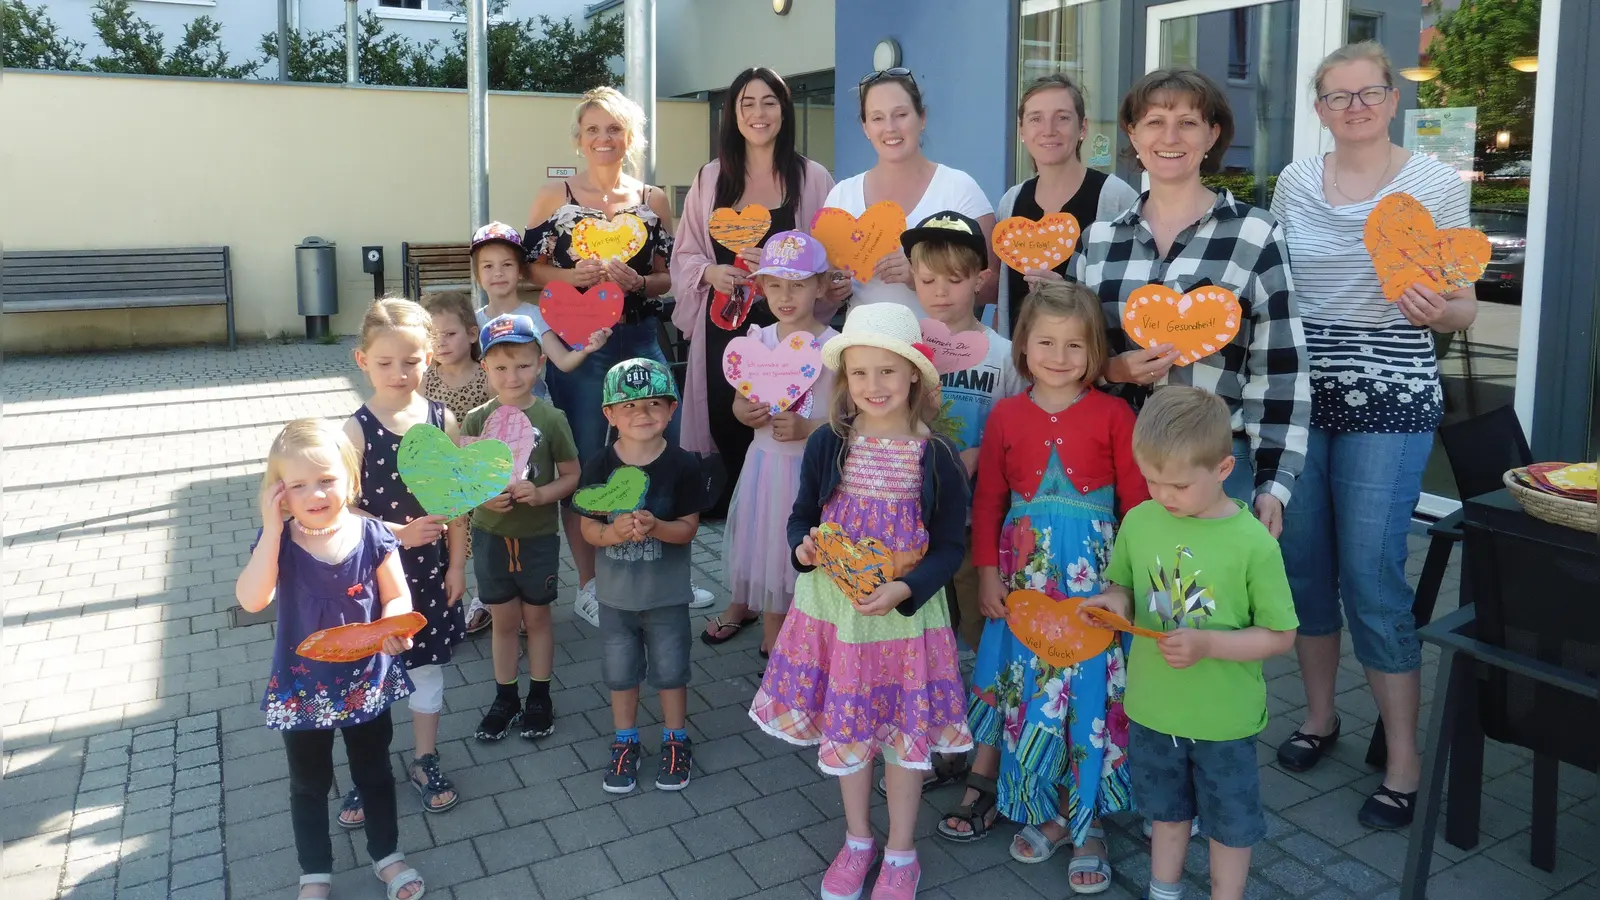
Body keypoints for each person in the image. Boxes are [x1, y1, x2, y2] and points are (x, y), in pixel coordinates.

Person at [1270, 42, 1478, 830]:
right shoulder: (1295, 181)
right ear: (1318, 109)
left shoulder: (1429, 182)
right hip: (1301, 395)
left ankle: (1403, 758)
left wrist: (1441, 312)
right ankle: (1320, 718)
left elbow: (1462, 305)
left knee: (1372, 575)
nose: (1354, 107)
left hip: (1390, 394)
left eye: (1368, 94)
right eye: (1337, 97)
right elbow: (1278, 283)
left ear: (1393, 100)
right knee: (1303, 567)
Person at [750, 303, 973, 900]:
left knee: (902, 737)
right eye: (859, 373)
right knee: (849, 732)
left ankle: (901, 851)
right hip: (836, 615)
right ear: (844, 380)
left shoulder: (939, 457)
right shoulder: (829, 443)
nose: (873, 386)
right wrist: (801, 547)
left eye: (888, 372)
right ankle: (857, 840)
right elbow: (803, 516)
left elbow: (952, 546)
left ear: (914, 378)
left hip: (903, 618)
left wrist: (907, 588)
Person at [943, 282, 1146, 894]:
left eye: (1075, 345)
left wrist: (1124, 583)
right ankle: (1049, 811)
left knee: (1085, 695)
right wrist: (985, 571)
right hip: (1022, 579)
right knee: (1032, 691)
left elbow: (1137, 505)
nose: (1059, 356)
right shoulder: (1006, 414)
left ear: (1095, 351)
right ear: (1023, 346)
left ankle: (1088, 826)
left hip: (1091, 584)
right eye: (1045, 342)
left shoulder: (1116, 414)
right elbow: (989, 499)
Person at [1081, 386, 1299, 900]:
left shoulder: (1254, 544)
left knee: (1230, 823)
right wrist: (1113, 604)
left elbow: (1281, 635)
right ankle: (1164, 889)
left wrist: (1209, 646)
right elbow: (1123, 586)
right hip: (1154, 709)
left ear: (1224, 469)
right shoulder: (1139, 520)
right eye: (1151, 480)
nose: (1162, 495)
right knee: (1165, 813)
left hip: (1223, 719)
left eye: (1177, 484)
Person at [1071, 67, 1310, 536]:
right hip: (1113, 461)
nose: (1170, 136)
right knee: (1121, 601)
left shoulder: (1254, 234)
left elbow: (1280, 369)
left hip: (1216, 468)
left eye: (1188, 122)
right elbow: (1069, 357)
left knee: (1206, 607)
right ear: (1133, 134)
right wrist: (1114, 369)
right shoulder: (1097, 241)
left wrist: (1274, 483)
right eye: (1155, 121)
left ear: (1212, 135)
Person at [525, 88, 705, 628]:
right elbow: (529, 268)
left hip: (638, 335)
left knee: (659, 453)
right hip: (578, 346)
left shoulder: (653, 198)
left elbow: (674, 272)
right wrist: (566, 276)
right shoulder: (553, 195)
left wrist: (641, 280)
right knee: (581, 459)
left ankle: (667, 571)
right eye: (594, 130)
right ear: (578, 139)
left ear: (631, 138)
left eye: (615, 129)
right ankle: (589, 584)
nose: (604, 139)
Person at [235, 418, 425, 900]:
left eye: (326, 480)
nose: (315, 494)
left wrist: (394, 629)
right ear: (280, 494)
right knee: (309, 783)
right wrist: (272, 528)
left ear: (350, 479)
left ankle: (387, 856)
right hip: (303, 691)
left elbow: (397, 597)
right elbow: (251, 600)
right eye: (298, 485)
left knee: (375, 770)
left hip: (368, 682)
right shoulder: (280, 545)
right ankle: (315, 873)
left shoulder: (373, 535)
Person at [670, 67, 843, 519]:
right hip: (726, 333)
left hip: (792, 331)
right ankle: (745, 542)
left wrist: (785, 268)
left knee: (789, 432)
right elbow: (685, 253)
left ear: (784, 112)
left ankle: (790, 527)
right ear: (733, 113)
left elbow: (831, 258)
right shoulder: (710, 179)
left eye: (769, 102)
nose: (758, 113)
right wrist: (711, 272)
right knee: (732, 426)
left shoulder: (813, 178)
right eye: (747, 103)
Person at [337, 299, 465, 827]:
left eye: (410, 361)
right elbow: (341, 511)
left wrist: (458, 565)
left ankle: (425, 758)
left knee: (427, 668)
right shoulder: (354, 429)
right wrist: (399, 533)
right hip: (373, 579)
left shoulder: (443, 420)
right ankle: (369, 773)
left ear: (429, 357)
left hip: (430, 574)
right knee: (374, 673)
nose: (399, 373)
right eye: (385, 362)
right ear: (362, 360)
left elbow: (458, 501)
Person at [577, 359, 709, 794]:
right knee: (621, 673)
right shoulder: (598, 465)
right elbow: (587, 529)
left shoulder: (684, 465)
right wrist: (612, 532)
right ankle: (625, 740)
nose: (643, 412)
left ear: (672, 410)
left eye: (655, 402)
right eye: (629, 404)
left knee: (671, 672)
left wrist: (657, 527)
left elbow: (688, 528)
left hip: (667, 596)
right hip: (615, 598)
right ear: (609, 415)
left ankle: (675, 738)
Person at [704, 231, 839, 654]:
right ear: (760, 287)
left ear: (819, 285)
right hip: (764, 467)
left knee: (805, 556)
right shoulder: (758, 340)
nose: (786, 295)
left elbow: (846, 417)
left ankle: (811, 641)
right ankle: (773, 643)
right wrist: (744, 412)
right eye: (775, 284)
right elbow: (741, 403)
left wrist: (809, 426)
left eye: (798, 285)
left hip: (811, 475)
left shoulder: (834, 346)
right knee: (769, 556)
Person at [900, 210, 1025, 653]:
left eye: (953, 279)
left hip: (977, 521)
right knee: (926, 631)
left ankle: (985, 706)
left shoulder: (1005, 355)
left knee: (980, 623)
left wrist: (982, 453)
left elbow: (1020, 430)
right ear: (912, 277)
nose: (940, 292)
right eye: (928, 279)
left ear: (980, 279)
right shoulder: (903, 349)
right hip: (913, 519)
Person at [463, 315, 581, 743]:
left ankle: (540, 695)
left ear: (540, 364)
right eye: (500, 367)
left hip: (537, 539)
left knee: (538, 618)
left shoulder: (552, 419)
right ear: (485, 369)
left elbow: (571, 475)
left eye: (523, 365)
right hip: (492, 536)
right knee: (503, 620)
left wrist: (544, 494)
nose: (512, 376)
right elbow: (466, 483)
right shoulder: (476, 421)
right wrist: (482, 497)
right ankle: (505, 696)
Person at [826, 68, 998, 317]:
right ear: (865, 127)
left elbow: (992, 286)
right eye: (877, 118)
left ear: (922, 117)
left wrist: (920, 277)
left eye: (901, 114)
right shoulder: (841, 197)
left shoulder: (959, 189)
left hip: (943, 351)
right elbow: (819, 292)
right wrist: (830, 289)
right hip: (864, 352)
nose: (890, 128)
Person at [995, 74, 1140, 338]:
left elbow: (1134, 291)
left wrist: (1070, 294)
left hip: (1091, 362)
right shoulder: (1011, 202)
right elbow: (1003, 295)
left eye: (1062, 117)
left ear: (1082, 128)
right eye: (1036, 118)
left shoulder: (1116, 198)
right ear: (1022, 130)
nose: (1048, 129)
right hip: (1021, 364)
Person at [420, 291, 495, 636]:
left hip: (480, 474)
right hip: (444, 477)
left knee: (484, 539)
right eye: (432, 337)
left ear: (470, 332)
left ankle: (489, 599)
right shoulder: (426, 379)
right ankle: (450, 599)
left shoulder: (486, 375)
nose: (441, 344)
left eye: (448, 334)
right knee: (452, 541)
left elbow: (499, 421)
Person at [471, 222, 611, 373]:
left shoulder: (536, 315)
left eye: (507, 264)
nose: (498, 273)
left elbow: (563, 362)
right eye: (488, 266)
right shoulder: (472, 322)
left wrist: (586, 348)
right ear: (477, 275)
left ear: (520, 271)